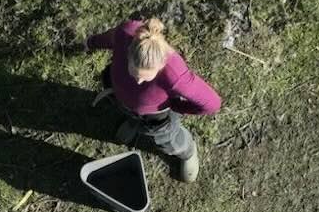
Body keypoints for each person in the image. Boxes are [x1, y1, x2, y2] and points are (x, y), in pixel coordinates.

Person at [84, 17, 221, 182]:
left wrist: (177, 107)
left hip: (155, 116)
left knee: (167, 138)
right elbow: (110, 37)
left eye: (145, 78)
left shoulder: (176, 76)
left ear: (161, 65)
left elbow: (212, 103)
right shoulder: (126, 32)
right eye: (135, 74)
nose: (139, 82)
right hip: (121, 99)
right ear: (129, 52)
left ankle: (186, 151)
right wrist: (91, 42)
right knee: (127, 111)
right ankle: (134, 123)